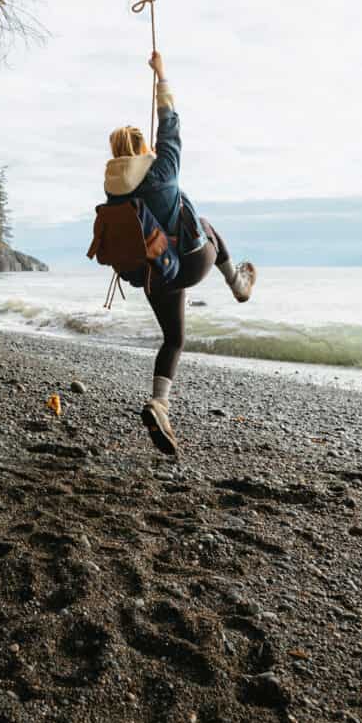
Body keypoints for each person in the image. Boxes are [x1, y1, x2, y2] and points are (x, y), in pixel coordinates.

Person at [103, 50, 256, 456]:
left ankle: (161, 401)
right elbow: (171, 121)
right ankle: (237, 283)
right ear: (142, 149)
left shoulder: (112, 191)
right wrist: (162, 74)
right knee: (206, 225)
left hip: (153, 274)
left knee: (174, 338)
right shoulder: (163, 168)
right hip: (190, 262)